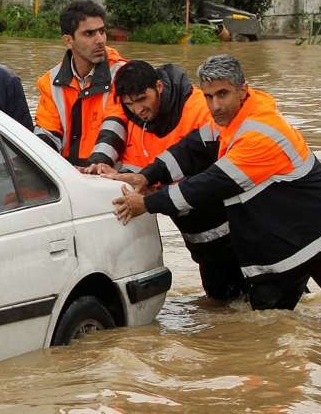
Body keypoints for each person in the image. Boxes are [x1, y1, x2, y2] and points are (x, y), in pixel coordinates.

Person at [110, 54, 321, 315]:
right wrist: (148, 175)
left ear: (242, 90)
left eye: (223, 94)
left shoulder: (258, 134)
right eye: (208, 96)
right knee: (262, 328)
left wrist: (147, 203)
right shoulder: (230, 120)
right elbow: (192, 148)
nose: (215, 105)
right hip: (284, 248)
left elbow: (210, 184)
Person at [96, 60, 245, 301]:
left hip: (237, 230)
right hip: (199, 236)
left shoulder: (201, 109)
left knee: (263, 300)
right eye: (130, 104)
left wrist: (150, 200)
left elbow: (213, 173)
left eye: (142, 99)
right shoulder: (136, 121)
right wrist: (114, 174)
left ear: (159, 87)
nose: (138, 109)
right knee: (221, 303)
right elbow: (141, 163)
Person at [35, 0, 128, 166]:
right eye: (89, 34)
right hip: (67, 171)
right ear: (68, 41)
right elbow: (47, 134)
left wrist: (96, 166)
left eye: (102, 31)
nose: (100, 40)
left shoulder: (122, 74)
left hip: (108, 172)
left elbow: (116, 125)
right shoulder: (50, 81)